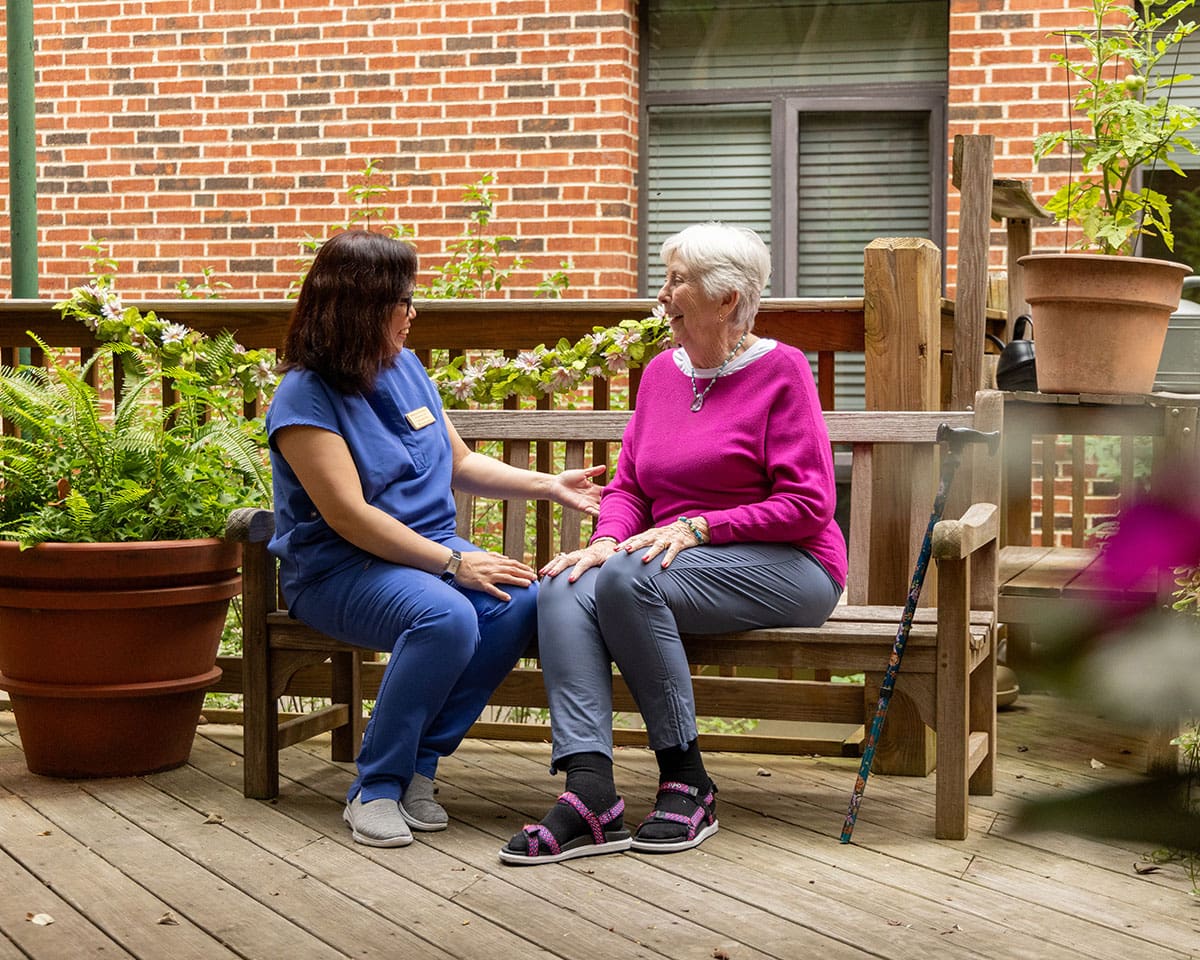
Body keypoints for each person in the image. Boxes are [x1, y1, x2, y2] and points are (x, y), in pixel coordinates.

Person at [500, 222, 847, 865]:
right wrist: (605, 541)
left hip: (789, 563)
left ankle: (688, 780)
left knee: (632, 578)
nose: (662, 296)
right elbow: (631, 486)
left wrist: (699, 527)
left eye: (677, 281)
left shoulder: (783, 371)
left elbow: (808, 504)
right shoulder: (662, 373)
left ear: (726, 301)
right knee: (566, 582)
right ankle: (589, 794)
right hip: (670, 560)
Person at [266, 230, 603, 848]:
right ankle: (377, 784)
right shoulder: (304, 397)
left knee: (521, 601)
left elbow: (459, 463)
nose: (413, 310)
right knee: (445, 617)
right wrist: (454, 563)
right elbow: (349, 517)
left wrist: (549, 484)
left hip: (425, 558)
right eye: (403, 298)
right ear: (361, 306)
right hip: (341, 570)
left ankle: (419, 761)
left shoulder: (406, 367)